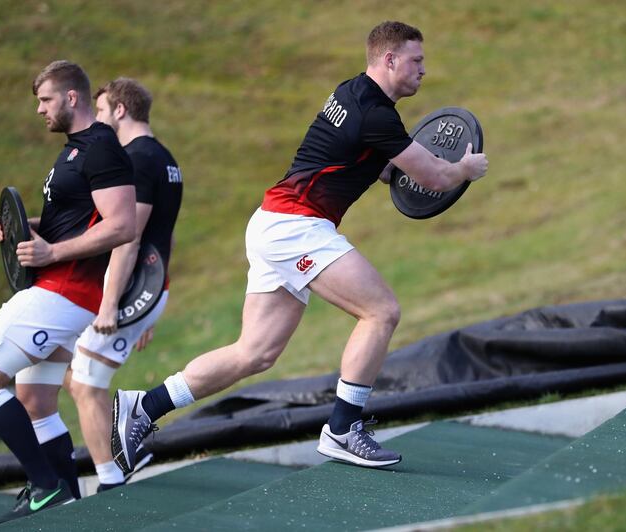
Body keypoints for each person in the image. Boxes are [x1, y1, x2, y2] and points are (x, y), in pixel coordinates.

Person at [112, 20, 487, 472]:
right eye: (416, 60)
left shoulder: (352, 92)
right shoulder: (377, 115)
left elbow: (373, 160)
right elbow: (434, 176)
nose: (423, 70)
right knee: (381, 311)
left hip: (273, 222)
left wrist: (398, 167)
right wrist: (465, 168)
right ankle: (344, 428)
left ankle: (144, 406)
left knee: (255, 353)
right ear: (389, 60)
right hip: (297, 227)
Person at [0, 60, 135, 524]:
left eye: (45, 100)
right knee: (36, 401)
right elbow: (76, 218)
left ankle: (44, 487)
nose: (39, 110)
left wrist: (51, 251)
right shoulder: (75, 150)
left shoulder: (100, 148)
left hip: (62, 291)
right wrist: (22, 227)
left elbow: (122, 225)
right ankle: (68, 500)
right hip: (61, 291)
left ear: (72, 97)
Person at [68, 77, 183, 492]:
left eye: (100, 111)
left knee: (84, 382)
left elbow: (129, 237)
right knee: (78, 376)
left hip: (130, 291)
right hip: (147, 289)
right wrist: (154, 300)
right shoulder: (167, 159)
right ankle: (116, 456)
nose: (97, 119)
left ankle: (112, 478)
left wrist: (111, 305)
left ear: (120, 110)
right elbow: (165, 237)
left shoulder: (135, 159)